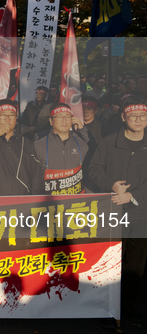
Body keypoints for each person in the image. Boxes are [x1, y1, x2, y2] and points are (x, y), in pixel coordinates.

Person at [88, 98, 147, 324]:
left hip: (141, 214)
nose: (138, 120)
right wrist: (110, 185)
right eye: (132, 116)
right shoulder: (109, 142)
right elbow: (93, 170)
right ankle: (106, 307)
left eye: (142, 116)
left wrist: (133, 196)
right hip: (112, 212)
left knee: (135, 265)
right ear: (123, 118)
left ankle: (127, 309)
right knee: (109, 261)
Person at [33, 103, 89, 195]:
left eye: (67, 116)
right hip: (49, 203)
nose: (64, 120)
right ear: (51, 121)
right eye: (59, 117)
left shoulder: (81, 144)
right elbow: (34, 178)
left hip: (76, 203)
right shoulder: (38, 145)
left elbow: (88, 174)